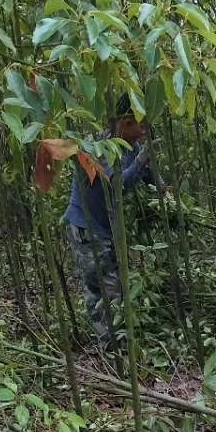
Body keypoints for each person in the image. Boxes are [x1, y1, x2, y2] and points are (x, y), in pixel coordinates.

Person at [63, 96, 160, 349]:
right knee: (107, 289)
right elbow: (117, 185)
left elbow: (148, 176)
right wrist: (142, 160)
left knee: (112, 285)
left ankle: (114, 343)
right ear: (125, 123)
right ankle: (112, 349)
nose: (144, 132)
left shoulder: (132, 146)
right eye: (141, 126)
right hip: (87, 228)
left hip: (106, 228)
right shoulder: (101, 148)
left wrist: (163, 190)